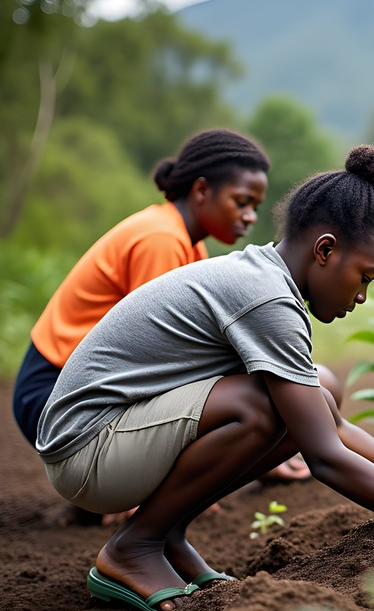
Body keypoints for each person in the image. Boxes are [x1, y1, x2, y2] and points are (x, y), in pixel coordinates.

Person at [35, 145, 374, 611]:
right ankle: (134, 547)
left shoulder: (264, 276)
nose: (363, 296)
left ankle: (163, 534)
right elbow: (326, 456)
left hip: (115, 436)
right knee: (264, 406)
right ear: (325, 250)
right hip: (86, 449)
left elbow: (329, 423)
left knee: (313, 392)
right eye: (364, 276)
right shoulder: (266, 299)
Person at [13, 128, 271, 449]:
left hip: (88, 387)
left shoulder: (188, 246)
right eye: (242, 202)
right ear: (202, 190)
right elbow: (156, 356)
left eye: (255, 207)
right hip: (53, 394)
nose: (250, 217)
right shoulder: (160, 240)